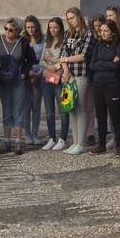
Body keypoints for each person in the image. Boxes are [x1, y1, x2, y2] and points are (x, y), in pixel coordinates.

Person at [87, 18, 120, 156]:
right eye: (101, 31)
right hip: (98, 84)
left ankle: (118, 146)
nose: (102, 33)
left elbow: (117, 65)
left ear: (113, 32)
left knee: (115, 116)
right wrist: (108, 63)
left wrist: (103, 63)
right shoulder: (98, 45)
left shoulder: (119, 46)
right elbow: (92, 65)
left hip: (112, 85)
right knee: (101, 116)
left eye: (106, 31)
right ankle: (101, 145)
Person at [0, 18, 34, 155]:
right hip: (3, 80)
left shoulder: (23, 42)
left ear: (17, 30)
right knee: (6, 109)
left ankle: (18, 140)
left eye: (10, 30)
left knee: (18, 109)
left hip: (18, 81)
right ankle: (6, 140)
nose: (7, 32)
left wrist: (24, 73)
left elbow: (31, 60)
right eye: (5, 29)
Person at [60, 7, 92, 155]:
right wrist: (66, 70)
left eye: (72, 18)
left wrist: (66, 59)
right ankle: (74, 142)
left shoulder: (88, 33)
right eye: (68, 19)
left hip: (81, 74)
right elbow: (63, 53)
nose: (71, 21)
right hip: (68, 75)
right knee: (70, 108)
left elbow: (83, 55)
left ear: (78, 16)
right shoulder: (68, 33)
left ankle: (81, 142)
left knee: (80, 107)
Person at [39, 17, 69, 150]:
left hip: (60, 79)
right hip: (47, 79)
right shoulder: (47, 42)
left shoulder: (65, 42)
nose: (53, 30)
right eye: (51, 28)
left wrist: (51, 61)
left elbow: (63, 60)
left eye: (55, 27)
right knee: (49, 112)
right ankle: (51, 138)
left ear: (60, 28)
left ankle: (62, 139)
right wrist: (51, 63)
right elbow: (41, 61)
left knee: (63, 110)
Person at [22, 16, 45, 144]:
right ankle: (27, 134)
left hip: (39, 72)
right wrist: (28, 73)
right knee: (26, 106)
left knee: (36, 106)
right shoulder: (23, 40)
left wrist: (40, 71)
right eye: (28, 27)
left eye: (32, 27)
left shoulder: (43, 40)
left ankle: (35, 133)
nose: (30, 29)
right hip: (27, 74)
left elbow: (44, 57)